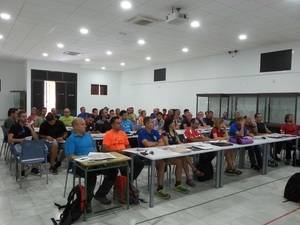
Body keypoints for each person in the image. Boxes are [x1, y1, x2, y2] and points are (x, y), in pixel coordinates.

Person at [65, 118, 118, 212]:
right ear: (75, 126)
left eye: (84, 124)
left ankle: (100, 195)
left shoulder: (88, 136)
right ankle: (87, 201)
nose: (85, 126)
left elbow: (94, 149)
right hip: (79, 165)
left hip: (94, 161)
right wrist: (84, 159)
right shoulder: (71, 139)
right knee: (91, 174)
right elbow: (70, 156)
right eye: (82, 124)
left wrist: (99, 156)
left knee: (113, 170)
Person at [138, 117, 189, 199]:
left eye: (152, 122)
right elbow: (147, 144)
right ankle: (160, 188)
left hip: (159, 153)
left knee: (179, 161)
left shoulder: (155, 132)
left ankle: (178, 184)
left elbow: (162, 143)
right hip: (146, 156)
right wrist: (157, 143)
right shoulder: (142, 132)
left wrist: (155, 144)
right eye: (151, 122)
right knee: (162, 163)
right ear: (146, 124)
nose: (153, 124)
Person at [162, 118, 204, 187]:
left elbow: (179, 142)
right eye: (173, 122)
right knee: (184, 157)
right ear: (168, 124)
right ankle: (193, 171)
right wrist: (178, 148)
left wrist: (184, 146)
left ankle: (189, 178)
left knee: (184, 157)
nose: (174, 123)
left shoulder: (175, 132)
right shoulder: (164, 133)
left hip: (177, 152)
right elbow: (167, 145)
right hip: (169, 153)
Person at [103, 116, 144, 181]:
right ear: (112, 125)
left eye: (120, 123)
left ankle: (128, 181)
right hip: (114, 156)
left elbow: (127, 145)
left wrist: (129, 150)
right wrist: (118, 152)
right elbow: (105, 149)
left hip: (125, 154)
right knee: (124, 167)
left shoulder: (123, 133)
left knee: (140, 163)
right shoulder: (108, 134)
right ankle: (128, 184)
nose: (120, 125)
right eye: (118, 123)